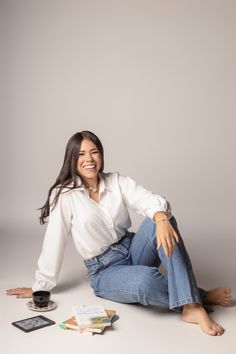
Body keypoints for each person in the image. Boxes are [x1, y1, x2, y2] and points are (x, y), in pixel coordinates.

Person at [6, 131, 231, 336]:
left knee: (162, 218)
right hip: (104, 270)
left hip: (132, 248)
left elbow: (147, 199)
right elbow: (54, 242)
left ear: (101, 155)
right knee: (145, 281)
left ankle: (191, 307)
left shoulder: (116, 181)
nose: (89, 159)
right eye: (82, 154)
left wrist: (161, 217)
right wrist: (40, 287)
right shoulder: (65, 195)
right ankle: (198, 296)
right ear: (72, 159)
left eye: (94, 152)